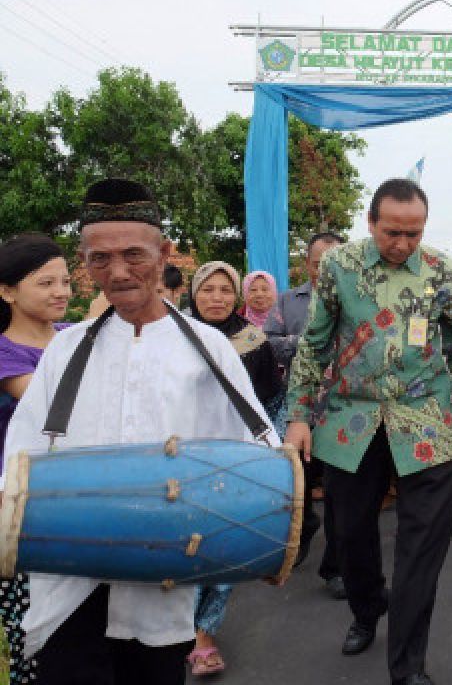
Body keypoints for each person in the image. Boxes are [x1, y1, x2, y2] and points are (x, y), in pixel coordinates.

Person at [4, 179, 278, 685]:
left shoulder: (208, 350)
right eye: (99, 259)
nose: (119, 271)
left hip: (163, 584)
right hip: (67, 581)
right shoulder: (64, 353)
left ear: (165, 253)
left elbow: (257, 456)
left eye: (134, 254)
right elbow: (20, 460)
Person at [284, 178, 452, 685]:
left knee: (422, 549)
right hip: (353, 418)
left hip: (424, 420)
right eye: (393, 232)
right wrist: (299, 416)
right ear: (371, 223)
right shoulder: (339, 267)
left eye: (413, 234)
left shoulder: (439, 269)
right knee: (349, 533)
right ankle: (368, 608)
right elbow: (315, 344)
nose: (403, 244)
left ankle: (408, 666)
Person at [188, 261, 285, 677]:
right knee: (188, 545)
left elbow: (273, 401)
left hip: (239, 460)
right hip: (186, 459)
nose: (216, 298)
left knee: (227, 548)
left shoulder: (252, 339)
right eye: (207, 290)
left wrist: (274, 455)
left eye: (225, 290)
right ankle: (188, 633)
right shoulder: (175, 336)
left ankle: (206, 632)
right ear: (193, 293)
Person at [0, 232, 72, 684]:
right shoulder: (6, 352)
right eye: (46, 283)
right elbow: (51, 409)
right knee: (37, 633)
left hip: (81, 497)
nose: (62, 292)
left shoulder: (71, 336)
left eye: (65, 281)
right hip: (23, 508)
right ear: (6, 291)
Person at [265, 230, 346, 596]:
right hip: (300, 410)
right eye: (318, 265)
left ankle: (335, 567)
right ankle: (306, 526)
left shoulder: (361, 301)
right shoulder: (288, 301)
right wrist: (310, 343)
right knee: (297, 483)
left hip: (345, 413)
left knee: (341, 494)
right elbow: (267, 345)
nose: (325, 272)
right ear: (308, 265)